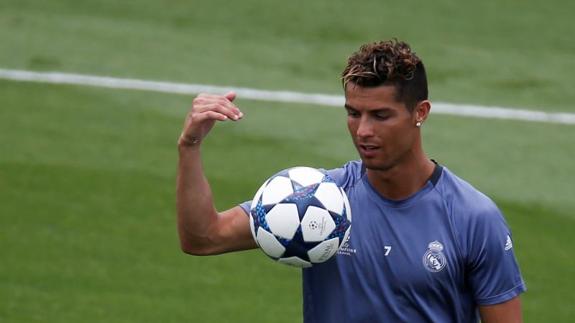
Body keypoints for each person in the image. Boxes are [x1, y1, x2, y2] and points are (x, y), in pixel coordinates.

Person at [177, 39, 526, 322]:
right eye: (353, 113)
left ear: (420, 113)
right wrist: (190, 145)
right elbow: (203, 238)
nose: (363, 131)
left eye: (380, 116)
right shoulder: (317, 199)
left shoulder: (472, 218)